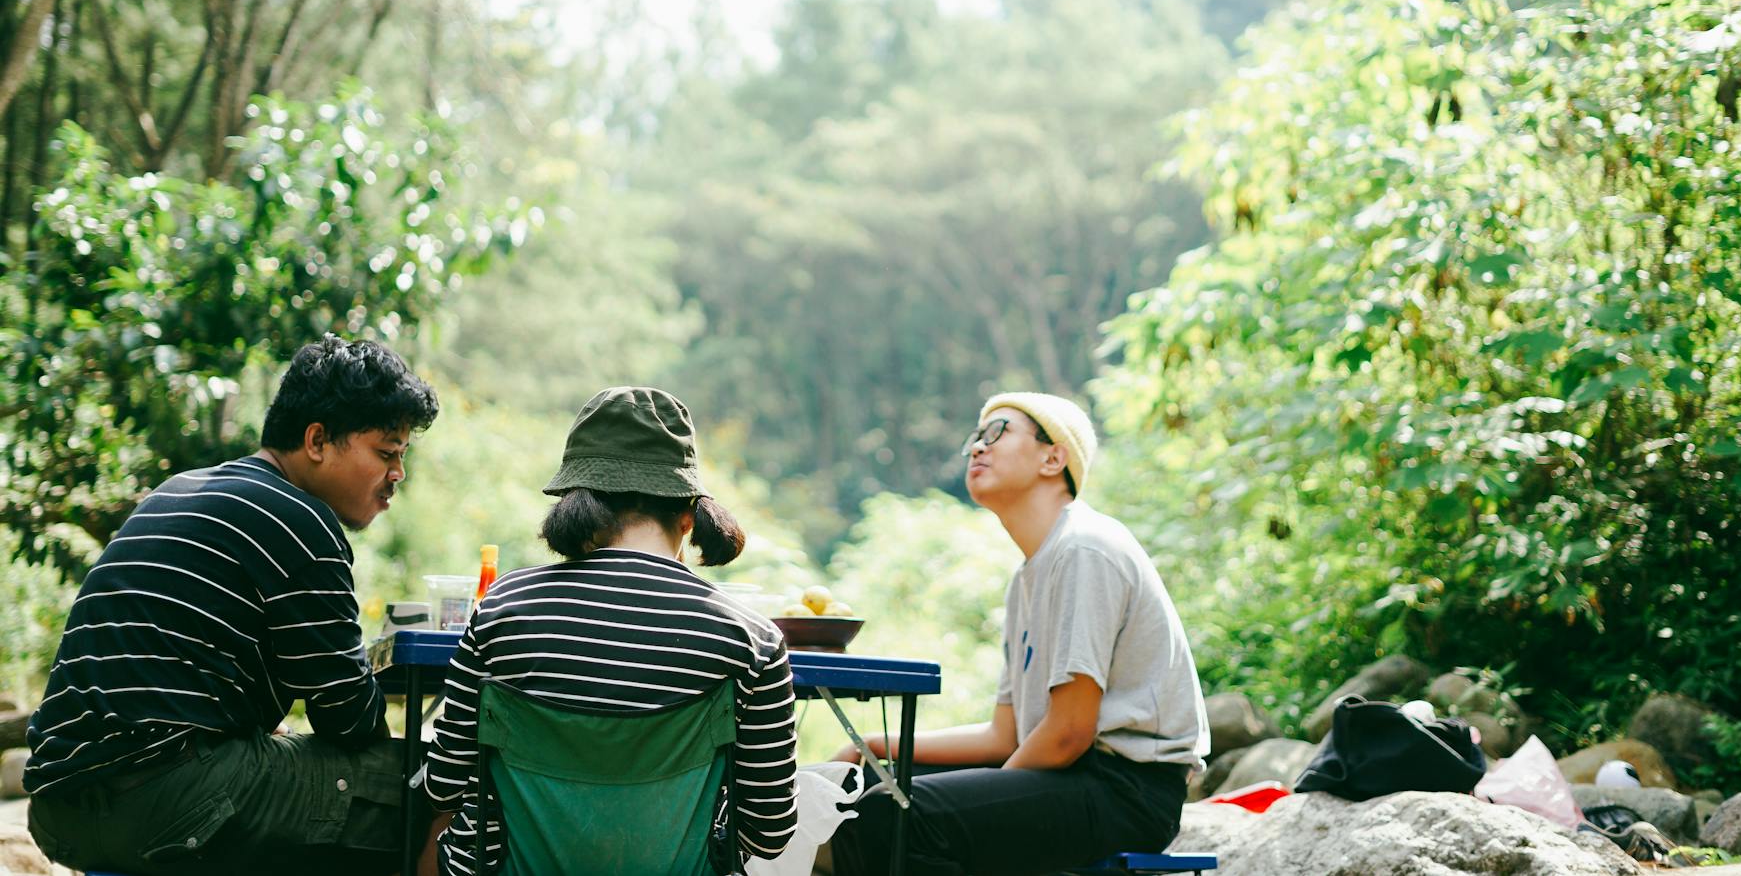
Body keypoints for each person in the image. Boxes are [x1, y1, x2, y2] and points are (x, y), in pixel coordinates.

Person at [26, 333, 440, 876]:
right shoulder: (297, 520)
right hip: (168, 798)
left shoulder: (178, 490)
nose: (397, 476)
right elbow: (351, 721)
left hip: (61, 814)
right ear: (317, 440)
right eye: (385, 453)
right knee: (427, 782)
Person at [418, 385, 798, 876]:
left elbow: (443, 786)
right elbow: (769, 834)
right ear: (688, 518)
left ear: (580, 508)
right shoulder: (754, 642)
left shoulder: (502, 610)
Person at [830, 391, 1209, 876]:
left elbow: (1069, 732)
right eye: (975, 438)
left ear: (1053, 458)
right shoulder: (1029, 576)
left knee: (895, 814)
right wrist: (875, 745)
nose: (977, 448)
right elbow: (1003, 735)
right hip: (1069, 776)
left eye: (996, 433)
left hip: (1125, 790)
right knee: (866, 788)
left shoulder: (1085, 549)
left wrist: (985, 804)